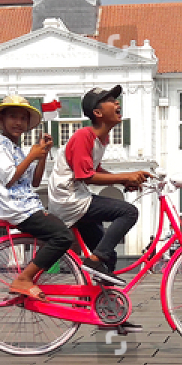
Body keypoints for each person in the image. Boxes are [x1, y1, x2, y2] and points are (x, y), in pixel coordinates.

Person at [56, 85, 147, 279]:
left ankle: (95, 300)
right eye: (110, 100)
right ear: (97, 112)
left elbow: (95, 170)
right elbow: (86, 176)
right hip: (70, 199)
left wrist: (123, 182)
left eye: (116, 100)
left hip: (78, 198)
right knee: (128, 212)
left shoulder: (100, 139)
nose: (116, 102)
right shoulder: (84, 136)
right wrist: (126, 176)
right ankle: (93, 261)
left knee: (108, 254)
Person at [0, 94, 71, 300]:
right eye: (13, 117)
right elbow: (9, 178)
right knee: (63, 236)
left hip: (28, 205)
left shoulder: (16, 149)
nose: (18, 122)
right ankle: (24, 279)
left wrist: (41, 155)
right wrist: (33, 155)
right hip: (16, 207)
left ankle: (31, 280)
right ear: (2, 120)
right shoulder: (0, 145)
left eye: (23, 118)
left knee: (65, 231)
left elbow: (34, 181)